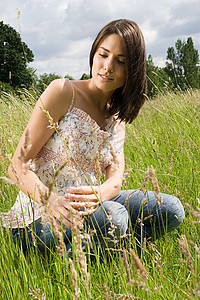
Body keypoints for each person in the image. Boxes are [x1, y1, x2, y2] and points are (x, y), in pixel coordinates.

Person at [1, 19, 185, 257]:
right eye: (103, 54)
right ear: (93, 53)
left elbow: (115, 177)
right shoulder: (63, 92)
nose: (107, 66)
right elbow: (17, 165)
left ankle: (111, 246)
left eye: (120, 61)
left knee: (172, 209)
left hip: (93, 204)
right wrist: (52, 201)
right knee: (116, 217)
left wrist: (100, 194)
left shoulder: (117, 115)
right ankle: (54, 255)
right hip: (42, 213)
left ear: (133, 70)